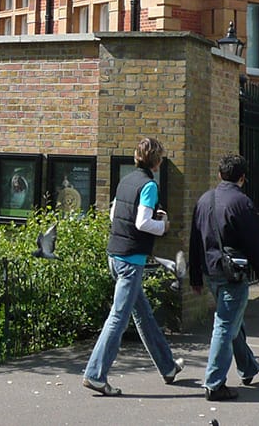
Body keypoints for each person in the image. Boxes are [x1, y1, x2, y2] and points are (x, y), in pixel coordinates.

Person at [82, 137, 185, 396]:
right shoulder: (149, 185)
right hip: (131, 260)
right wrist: (164, 225)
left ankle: (168, 367)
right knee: (118, 317)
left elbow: (113, 214)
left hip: (115, 254)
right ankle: (95, 374)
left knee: (144, 315)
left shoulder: (125, 181)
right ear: (157, 161)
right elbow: (142, 223)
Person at [189, 153, 259, 402]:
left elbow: (195, 241)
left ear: (219, 174)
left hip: (211, 272)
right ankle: (214, 384)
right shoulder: (241, 203)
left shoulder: (204, 200)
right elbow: (255, 244)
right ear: (243, 178)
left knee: (231, 322)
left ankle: (248, 367)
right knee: (225, 326)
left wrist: (195, 276)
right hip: (233, 274)